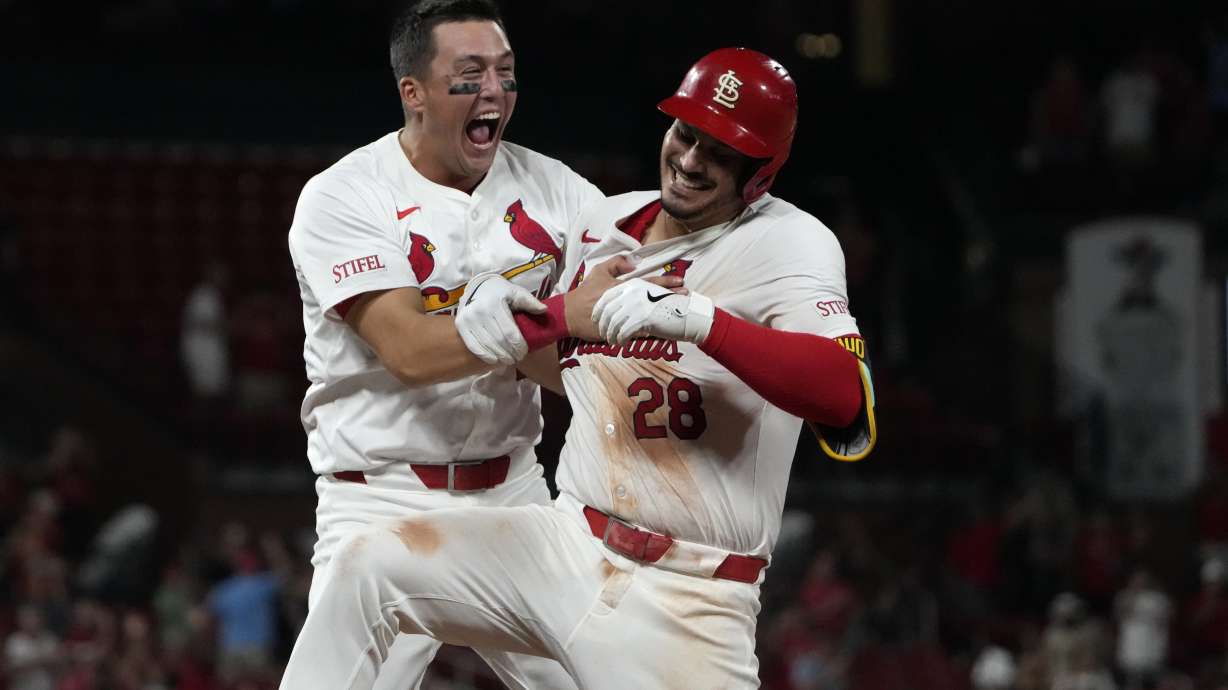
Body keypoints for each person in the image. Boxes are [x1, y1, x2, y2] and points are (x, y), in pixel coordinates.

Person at [279, 47, 876, 690]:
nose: (690, 160)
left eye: (721, 152)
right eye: (686, 133)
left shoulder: (789, 241)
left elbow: (843, 394)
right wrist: (501, 317)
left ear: (761, 173)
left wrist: (703, 322)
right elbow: (566, 360)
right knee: (369, 567)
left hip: (690, 595)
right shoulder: (603, 222)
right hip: (565, 546)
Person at [284, 0, 608, 688]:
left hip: (514, 494)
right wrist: (552, 318)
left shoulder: (561, 192)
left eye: (505, 71)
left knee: (600, 679)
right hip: (381, 499)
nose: (494, 89)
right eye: (471, 72)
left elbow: (582, 368)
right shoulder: (345, 195)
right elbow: (410, 351)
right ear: (414, 92)